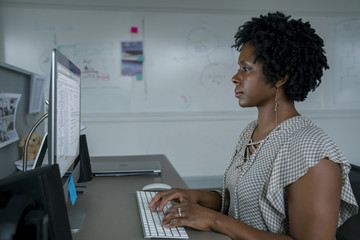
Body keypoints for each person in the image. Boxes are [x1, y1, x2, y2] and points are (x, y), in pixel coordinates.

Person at [149, 12, 358, 240]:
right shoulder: (252, 131)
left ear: (280, 78)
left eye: (246, 69)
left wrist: (214, 220)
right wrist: (196, 197)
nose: (235, 78)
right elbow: (244, 201)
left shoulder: (312, 151)